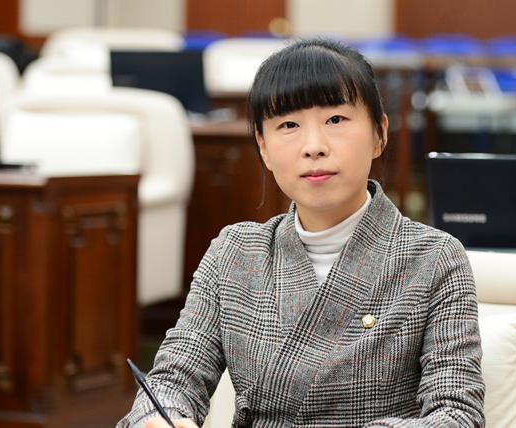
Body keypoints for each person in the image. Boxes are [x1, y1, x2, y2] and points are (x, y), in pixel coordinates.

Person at [118, 38, 484, 428]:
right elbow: (173, 379)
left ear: (379, 133)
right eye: (289, 125)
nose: (314, 147)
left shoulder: (434, 258)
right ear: (263, 147)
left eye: (336, 120)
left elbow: (456, 416)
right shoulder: (234, 252)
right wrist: (162, 418)